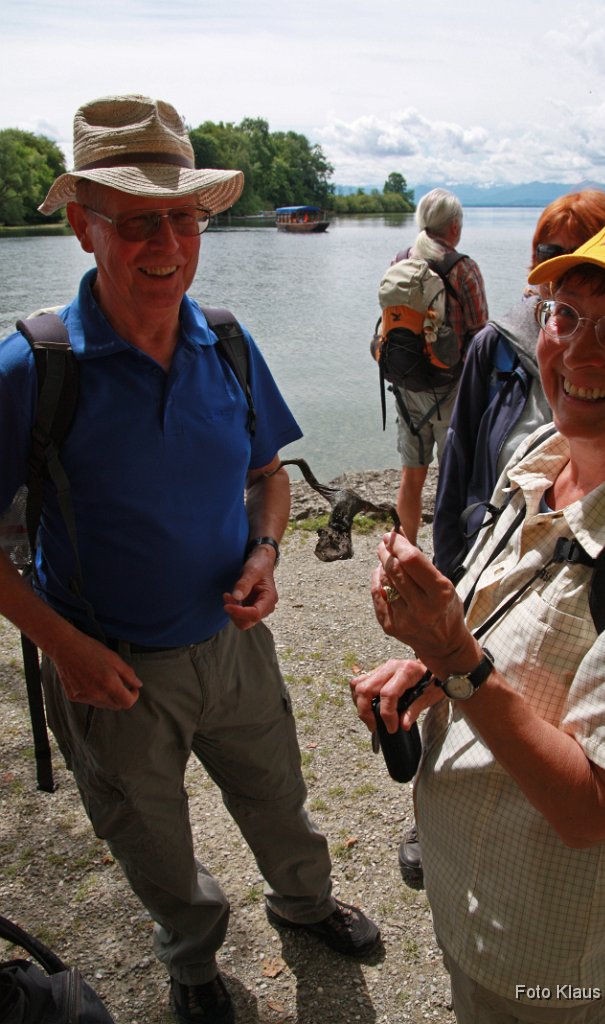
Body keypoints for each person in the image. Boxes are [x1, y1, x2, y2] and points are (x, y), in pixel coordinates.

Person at [0, 94, 379, 1024]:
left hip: (235, 647)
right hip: (108, 667)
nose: (166, 242)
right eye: (137, 222)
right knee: (152, 840)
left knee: (281, 800)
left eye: (182, 216)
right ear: (85, 228)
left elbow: (268, 478)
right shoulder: (32, 367)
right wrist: (65, 648)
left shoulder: (231, 342)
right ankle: (194, 956)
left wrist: (265, 552)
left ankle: (303, 902)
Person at [352, 217, 605, 1024]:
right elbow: (509, 642)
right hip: (474, 883)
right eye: (564, 314)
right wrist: (431, 675)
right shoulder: (539, 463)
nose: (577, 351)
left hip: (546, 942)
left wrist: (454, 657)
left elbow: (594, 807)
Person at [398, 189, 605, 886]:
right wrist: (445, 583)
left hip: (577, 570)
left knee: (543, 707)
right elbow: (461, 464)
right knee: (455, 683)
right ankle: (434, 814)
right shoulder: (496, 345)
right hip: (489, 557)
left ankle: (537, 850)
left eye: (580, 256)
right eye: (547, 257)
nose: (557, 272)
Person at [389, 188, 489, 543]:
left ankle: (403, 556)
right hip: (451, 391)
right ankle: (450, 560)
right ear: (455, 227)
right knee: (452, 479)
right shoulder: (463, 269)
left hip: (407, 387)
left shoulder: (399, 261)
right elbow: (481, 339)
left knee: (411, 477)